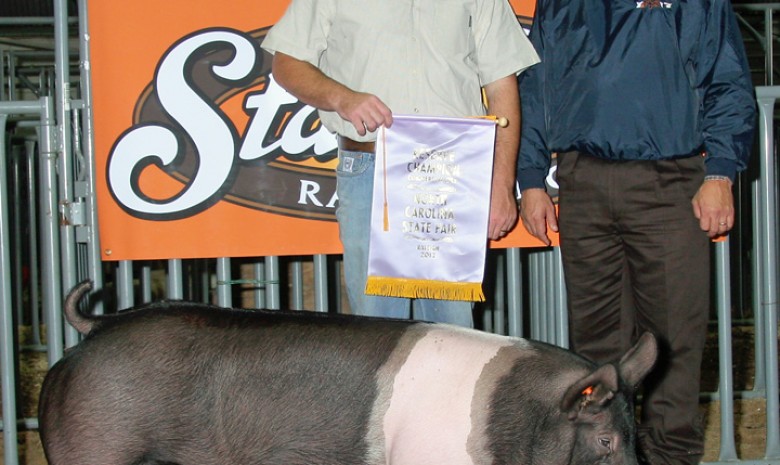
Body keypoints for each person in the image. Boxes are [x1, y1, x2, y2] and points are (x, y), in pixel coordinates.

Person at [516, 1, 755, 464]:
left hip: (668, 180)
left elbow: (726, 79)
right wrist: (530, 178)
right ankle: (601, 456)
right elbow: (535, 85)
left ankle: (669, 457)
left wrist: (720, 173)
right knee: (593, 348)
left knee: (671, 343)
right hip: (581, 181)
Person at [262, 0, 539, 326]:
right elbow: (287, 61)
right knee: (377, 332)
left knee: (452, 334)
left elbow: (501, 85)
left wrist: (502, 183)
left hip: (452, 174)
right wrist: (343, 97)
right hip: (371, 166)